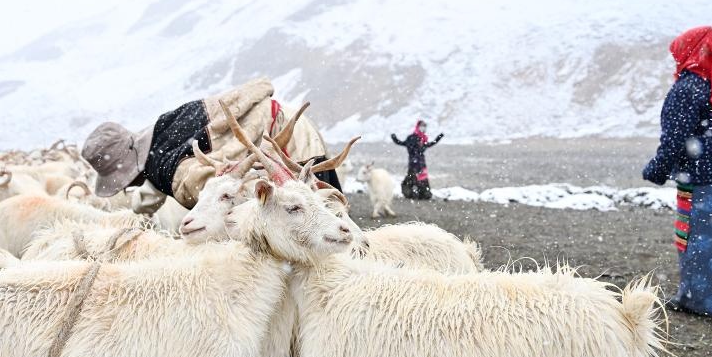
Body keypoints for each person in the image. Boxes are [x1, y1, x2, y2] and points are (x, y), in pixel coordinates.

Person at [82, 79, 340, 214]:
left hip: (287, 143)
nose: (126, 186)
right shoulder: (162, 129)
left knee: (326, 230)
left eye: (122, 181)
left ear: (128, 170)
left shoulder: (161, 166)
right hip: (288, 121)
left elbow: (213, 192)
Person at [642, 26, 712, 317]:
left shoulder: (688, 87)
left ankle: (698, 302)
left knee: (695, 237)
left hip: (702, 175)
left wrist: (656, 170)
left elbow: (674, 139)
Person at [391, 120, 444, 199]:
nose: (423, 128)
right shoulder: (412, 138)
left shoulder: (423, 139)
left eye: (425, 126)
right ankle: (414, 195)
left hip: (421, 165)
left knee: (421, 184)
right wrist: (394, 138)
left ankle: (420, 194)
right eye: (422, 126)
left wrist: (438, 138)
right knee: (412, 182)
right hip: (414, 165)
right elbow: (402, 143)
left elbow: (429, 144)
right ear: (418, 127)